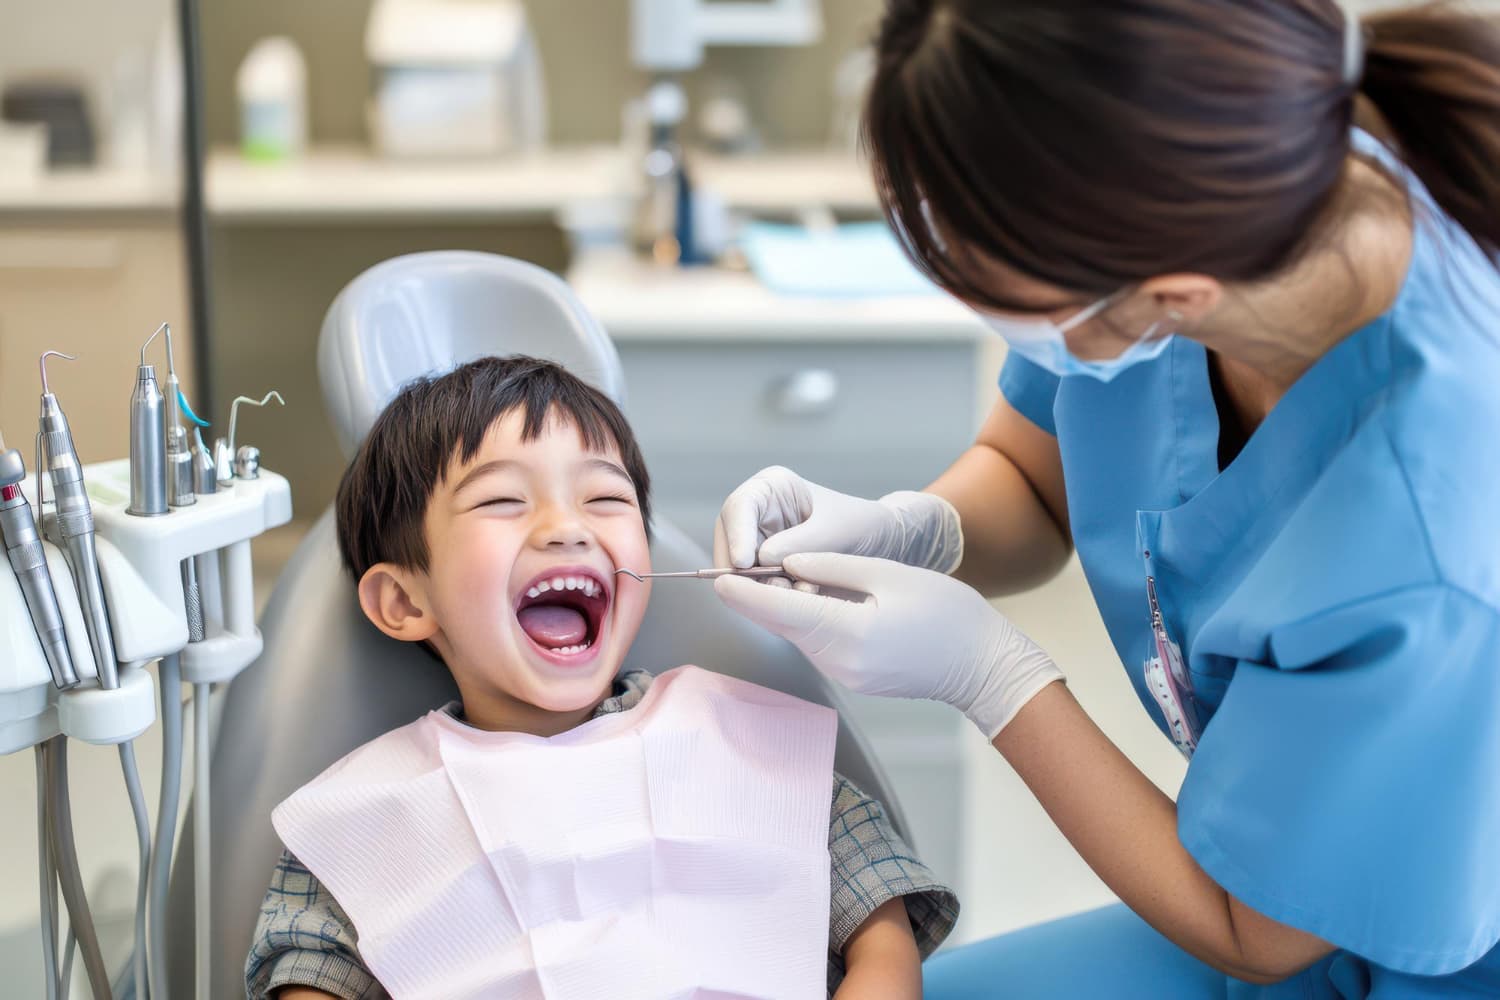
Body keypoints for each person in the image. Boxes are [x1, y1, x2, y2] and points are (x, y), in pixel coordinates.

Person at [710, 1, 1500, 997]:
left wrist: (989, 675)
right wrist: (916, 529)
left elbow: (1253, 931)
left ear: (1174, 292)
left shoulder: (1435, 525)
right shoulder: (1174, 215)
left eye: (990, 280)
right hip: (1274, 879)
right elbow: (1033, 482)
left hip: (1394, 937)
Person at [243, 356, 956, 1000]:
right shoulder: (369, 816)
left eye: (605, 499)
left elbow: (880, 928)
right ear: (404, 602)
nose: (566, 527)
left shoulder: (744, 741)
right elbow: (309, 974)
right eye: (502, 501)